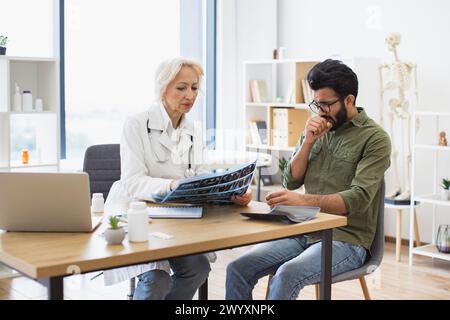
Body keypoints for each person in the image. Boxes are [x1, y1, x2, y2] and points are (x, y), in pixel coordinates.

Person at [226, 59, 391, 300]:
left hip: (346, 239)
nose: (320, 110)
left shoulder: (375, 138)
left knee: (287, 274)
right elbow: (290, 181)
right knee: (237, 268)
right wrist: (307, 142)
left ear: (349, 100)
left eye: (326, 104)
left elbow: (357, 199)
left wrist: (302, 201)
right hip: (303, 230)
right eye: (316, 103)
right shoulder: (317, 129)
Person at [104, 57, 252, 300]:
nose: (190, 95)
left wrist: (230, 194)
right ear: (163, 88)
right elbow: (132, 182)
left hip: (177, 217)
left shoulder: (193, 131)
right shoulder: (136, 124)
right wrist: (171, 185)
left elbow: (203, 176)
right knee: (156, 278)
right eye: (181, 88)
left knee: (199, 268)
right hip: (138, 215)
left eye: (194, 88)